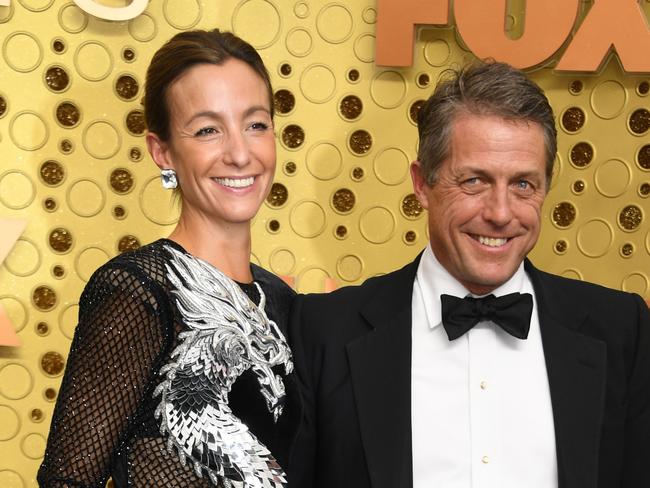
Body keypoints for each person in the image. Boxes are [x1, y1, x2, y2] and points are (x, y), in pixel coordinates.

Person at [288, 61, 650, 488]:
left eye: (522, 185)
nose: (500, 213)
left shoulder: (621, 330)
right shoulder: (323, 330)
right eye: (475, 181)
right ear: (422, 184)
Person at [38, 29, 298, 488]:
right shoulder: (138, 289)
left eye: (255, 124)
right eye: (207, 130)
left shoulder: (281, 301)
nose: (240, 153)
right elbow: (68, 480)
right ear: (162, 151)